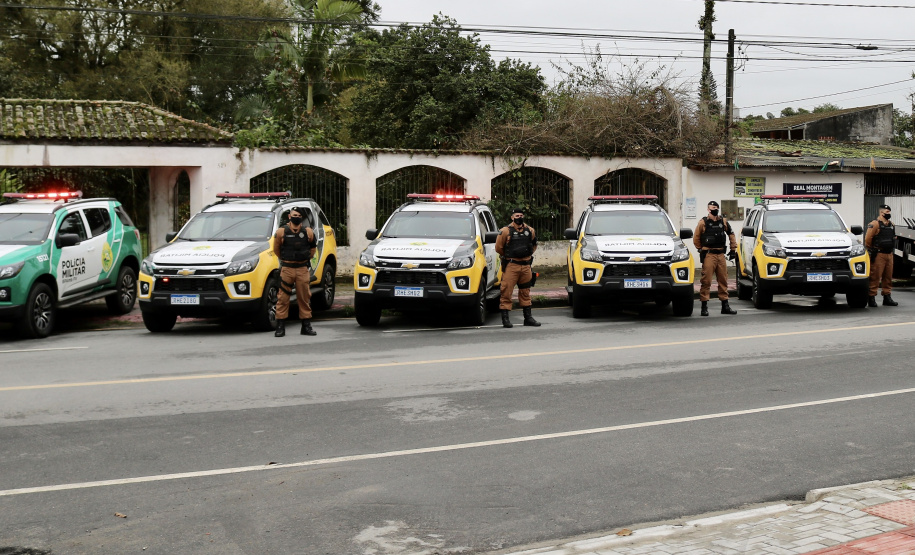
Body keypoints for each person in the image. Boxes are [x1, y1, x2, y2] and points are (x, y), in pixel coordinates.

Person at [273, 207, 318, 337]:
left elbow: (312, 249)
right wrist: (286, 260)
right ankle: (280, 326)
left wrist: (303, 259)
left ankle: (306, 326)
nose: (296, 217)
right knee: (283, 297)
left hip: (302, 269)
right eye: (294, 215)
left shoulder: (308, 232)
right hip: (287, 269)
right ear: (289, 216)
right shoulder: (282, 232)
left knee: (304, 297)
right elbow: (277, 249)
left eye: (299, 215)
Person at [495, 208, 541, 328]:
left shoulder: (530, 230)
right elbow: (499, 248)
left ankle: (528, 318)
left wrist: (527, 255)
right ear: (512, 217)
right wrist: (509, 256)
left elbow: (534, 244)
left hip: (526, 266)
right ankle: (505, 319)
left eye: (521, 215)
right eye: (517, 215)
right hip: (511, 265)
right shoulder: (505, 231)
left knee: (525, 292)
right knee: (506, 291)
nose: (519, 217)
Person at [693, 200, 738, 316]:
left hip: (721, 255)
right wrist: (701, 249)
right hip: (709, 255)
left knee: (723, 280)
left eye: (716, 207)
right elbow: (696, 238)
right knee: (706, 280)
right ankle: (704, 306)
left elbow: (731, 234)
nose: (715, 209)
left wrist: (733, 250)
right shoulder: (703, 222)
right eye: (712, 207)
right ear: (708, 209)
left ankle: (725, 306)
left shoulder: (723, 221)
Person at [865, 204, 898, 307]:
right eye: (887, 212)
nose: (889, 214)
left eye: (889, 212)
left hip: (889, 254)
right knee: (875, 276)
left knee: (888, 277)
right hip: (879, 254)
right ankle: (871, 297)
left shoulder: (891, 224)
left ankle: (887, 296)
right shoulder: (875, 224)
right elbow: (867, 240)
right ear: (881, 213)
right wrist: (873, 249)